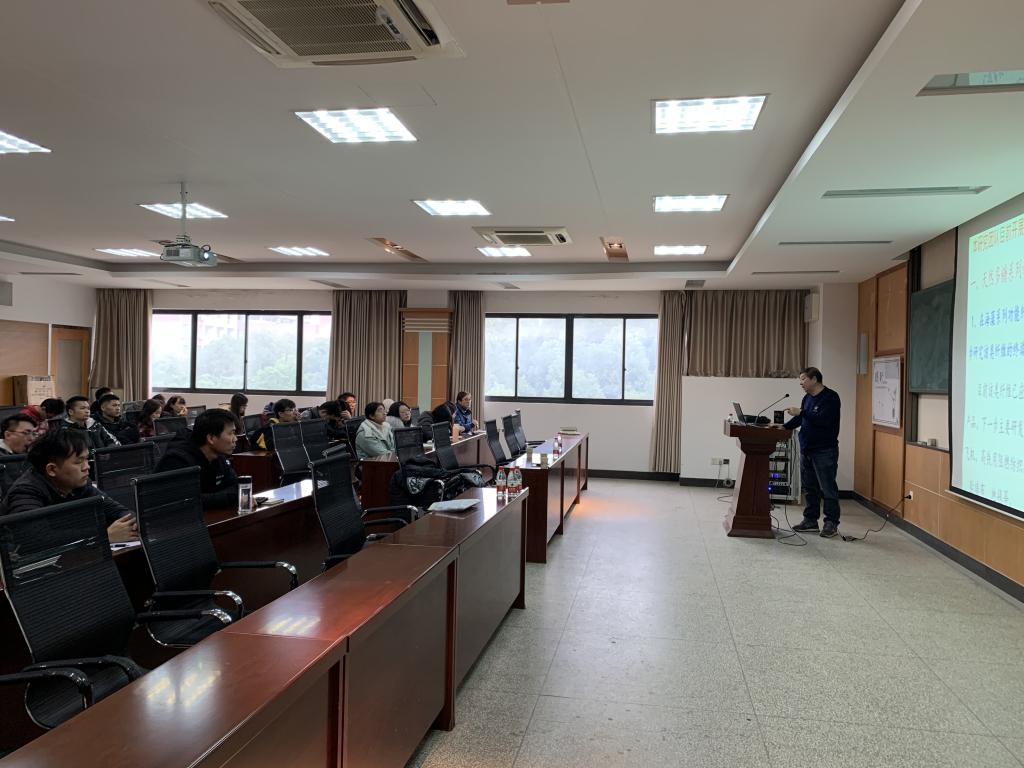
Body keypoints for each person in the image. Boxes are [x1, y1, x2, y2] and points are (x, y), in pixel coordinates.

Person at [1, 430, 136, 543]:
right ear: (52, 469)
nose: (87, 467)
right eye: (78, 462)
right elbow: (36, 538)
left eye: (86, 459)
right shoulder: (25, 492)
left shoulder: (80, 483)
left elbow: (118, 511)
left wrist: (131, 524)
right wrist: (103, 535)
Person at [779, 366, 843, 538]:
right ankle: (810, 521)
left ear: (814, 379)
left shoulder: (831, 397)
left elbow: (824, 420)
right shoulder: (807, 398)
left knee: (828, 488)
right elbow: (801, 419)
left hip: (824, 450)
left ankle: (831, 523)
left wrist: (802, 412)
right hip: (806, 449)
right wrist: (783, 427)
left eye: (803, 379)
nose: (801, 383)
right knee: (809, 488)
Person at [154, 409, 239, 510]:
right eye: (231, 433)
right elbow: (186, 501)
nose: (235, 439)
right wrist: (229, 496)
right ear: (211, 438)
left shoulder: (218, 456)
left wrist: (224, 497)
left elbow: (236, 486)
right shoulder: (176, 460)